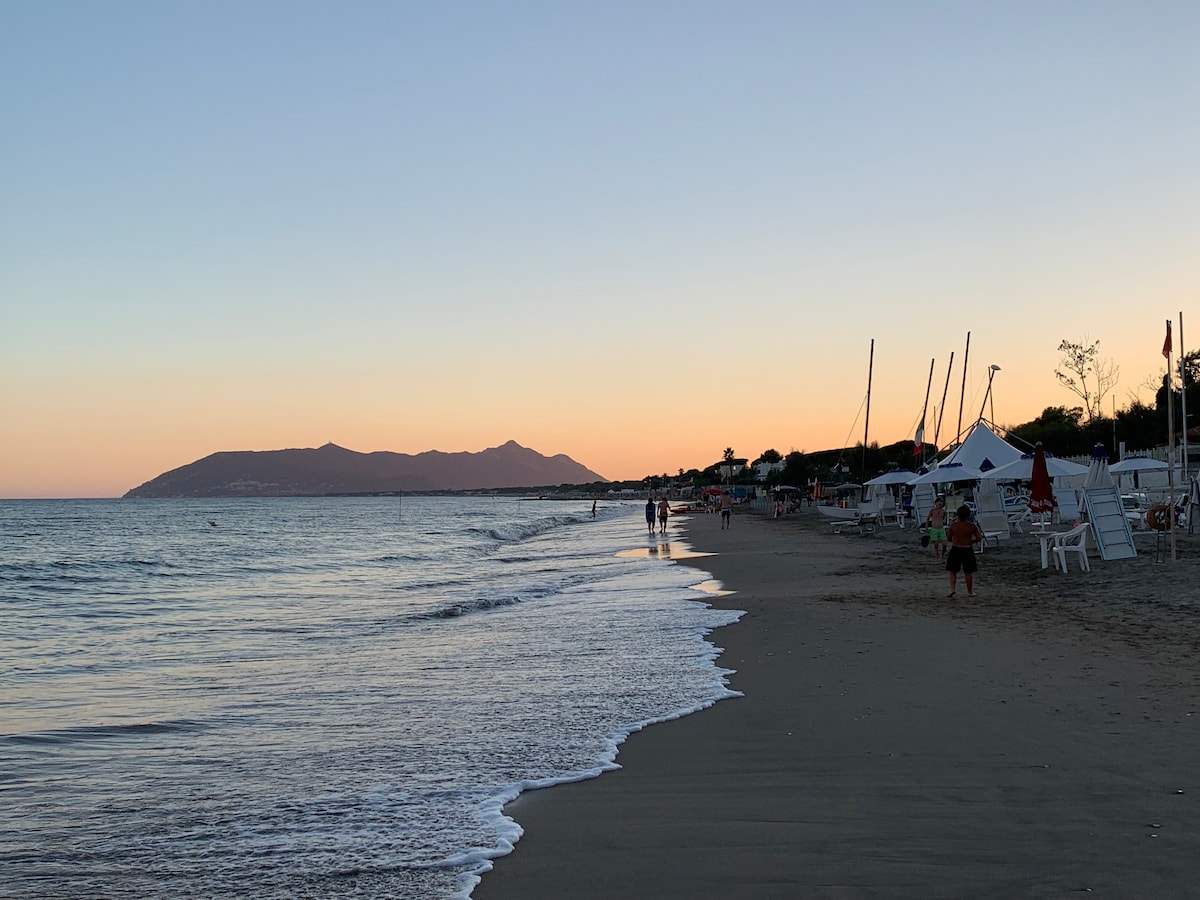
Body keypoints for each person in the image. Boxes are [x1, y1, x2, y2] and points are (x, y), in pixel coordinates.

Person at [945, 504, 984, 598]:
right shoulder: (972, 526)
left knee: (952, 571)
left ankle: (952, 589)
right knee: (968, 572)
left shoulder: (953, 526)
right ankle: (969, 591)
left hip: (956, 549)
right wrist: (971, 540)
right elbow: (979, 538)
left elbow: (949, 538)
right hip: (967, 549)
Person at [924, 496, 948, 563]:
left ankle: (942, 557)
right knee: (936, 544)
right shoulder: (932, 510)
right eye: (938, 501)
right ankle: (937, 556)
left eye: (941, 501)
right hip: (934, 528)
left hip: (941, 528)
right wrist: (926, 527)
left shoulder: (943, 511)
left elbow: (944, 518)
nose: (939, 503)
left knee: (945, 544)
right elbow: (928, 518)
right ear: (936, 503)